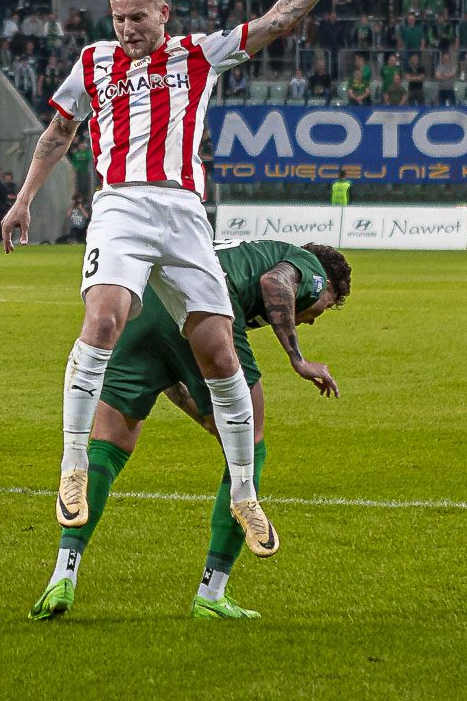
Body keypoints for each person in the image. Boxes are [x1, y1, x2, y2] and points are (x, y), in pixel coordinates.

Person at [1, 0, 386, 556]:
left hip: (183, 212)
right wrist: (22, 201)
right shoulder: (92, 62)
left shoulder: (196, 54)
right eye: (119, 18)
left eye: (138, 18)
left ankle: (245, 494)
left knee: (220, 354)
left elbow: (276, 22)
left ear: (164, 13)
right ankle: (72, 466)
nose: (128, 29)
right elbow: (58, 134)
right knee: (104, 318)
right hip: (121, 204)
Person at [31, 239, 351, 621]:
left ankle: (62, 576)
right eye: (327, 305)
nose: (313, 318)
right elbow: (274, 283)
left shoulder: (240, 252)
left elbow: (169, 369)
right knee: (249, 446)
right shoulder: (307, 264)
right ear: (328, 283)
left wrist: (204, 414)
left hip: (146, 312)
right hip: (202, 308)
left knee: (109, 443)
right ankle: (211, 594)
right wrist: (298, 359)